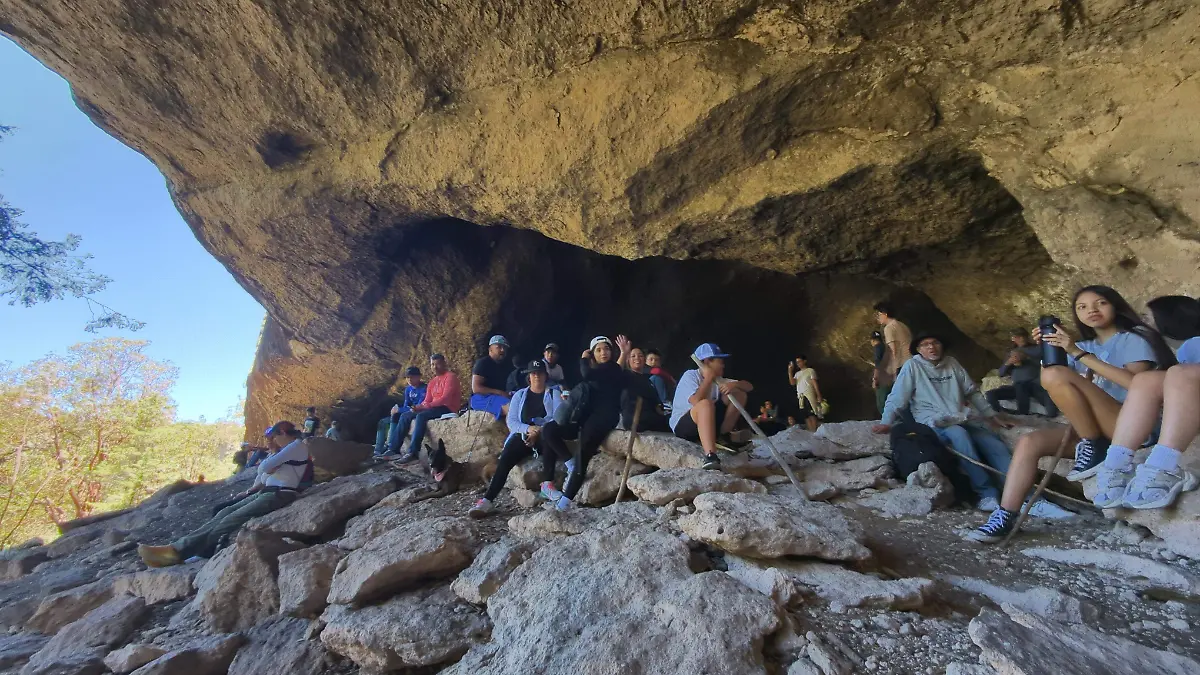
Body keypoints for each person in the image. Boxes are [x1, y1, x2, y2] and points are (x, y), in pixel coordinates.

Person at [969, 285, 1177, 543]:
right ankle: (1005, 514)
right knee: (1029, 442)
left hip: (1133, 427)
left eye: (1100, 303)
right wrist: (1049, 349)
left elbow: (1137, 384)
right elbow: (1052, 378)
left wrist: (1078, 354)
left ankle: (1094, 443)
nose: (1092, 310)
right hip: (1096, 429)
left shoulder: (1132, 339)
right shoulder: (1083, 344)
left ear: (1115, 305)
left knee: (1056, 374)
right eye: (1082, 307)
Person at [872, 333, 1016, 513]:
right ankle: (986, 493)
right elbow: (897, 398)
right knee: (959, 435)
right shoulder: (913, 366)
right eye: (925, 344)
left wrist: (992, 415)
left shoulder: (952, 363)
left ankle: (1025, 496)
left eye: (935, 342)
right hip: (933, 423)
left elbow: (972, 392)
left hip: (961, 418)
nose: (931, 347)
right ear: (918, 349)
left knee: (994, 444)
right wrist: (886, 422)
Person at [136, 422, 310, 567]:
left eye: (274, 437)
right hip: (269, 492)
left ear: (283, 433)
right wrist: (272, 461)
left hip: (280, 493)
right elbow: (264, 473)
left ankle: (177, 553)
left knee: (229, 520)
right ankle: (178, 547)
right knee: (223, 512)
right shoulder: (287, 450)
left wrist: (272, 463)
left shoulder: (296, 446)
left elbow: (264, 468)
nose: (272, 441)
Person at [1090, 295, 1200, 509]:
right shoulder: (1188, 347)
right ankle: (1116, 464)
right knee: (1146, 380)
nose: (1144, 321)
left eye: (1148, 317)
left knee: (1180, 374)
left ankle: (1164, 467)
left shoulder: (1193, 345)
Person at [540, 336, 657, 510]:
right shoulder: (606, 370)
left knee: (584, 456)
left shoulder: (609, 368)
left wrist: (584, 357)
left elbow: (587, 372)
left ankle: (564, 503)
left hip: (602, 419)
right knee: (550, 429)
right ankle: (567, 466)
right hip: (585, 419)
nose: (604, 352)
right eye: (599, 350)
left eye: (607, 349)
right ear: (595, 353)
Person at [469, 360, 564, 517]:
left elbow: (558, 418)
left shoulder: (554, 394)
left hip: (544, 434)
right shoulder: (520, 395)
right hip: (523, 435)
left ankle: (547, 485)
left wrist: (538, 431)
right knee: (506, 457)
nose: (537, 376)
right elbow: (512, 421)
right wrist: (528, 429)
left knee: (549, 438)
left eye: (540, 373)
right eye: (533, 373)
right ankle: (487, 500)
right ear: (529, 376)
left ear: (545, 376)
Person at [670, 343, 754, 471]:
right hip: (684, 425)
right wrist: (708, 378)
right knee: (705, 403)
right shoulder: (690, 375)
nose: (723, 365)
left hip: (707, 421)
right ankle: (711, 455)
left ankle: (723, 436)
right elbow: (696, 401)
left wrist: (735, 385)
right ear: (708, 362)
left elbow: (749, 387)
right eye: (720, 361)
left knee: (739, 394)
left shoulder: (719, 379)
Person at [394, 354, 464, 463]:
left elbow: (445, 399)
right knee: (405, 415)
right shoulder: (432, 382)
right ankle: (394, 449)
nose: (435, 367)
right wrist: (418, 407)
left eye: (438, 364)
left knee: (421, 416)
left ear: (444, 364)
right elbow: (427, 400)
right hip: (434, 407)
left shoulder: (450, 377)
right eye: (432, 364)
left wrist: (424, 407)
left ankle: (413, 452)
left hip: (447, 407)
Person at [985, 328, 1059, 417]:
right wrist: (1008, 363)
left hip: (1034, 385)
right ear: (1013, 339)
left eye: (1023, 336)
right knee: (990, 394)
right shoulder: (1011, 353)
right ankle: (1001, 415)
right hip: (1017, 387)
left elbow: (1048, 362)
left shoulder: (1037, 349)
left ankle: (1023, 414)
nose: (1022, 339)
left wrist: (1026, 358)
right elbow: (1001, 373)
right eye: (1018, 337)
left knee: (1050, 405)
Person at [614, 335, 670, 432]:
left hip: (649, 418)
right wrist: (623, 353)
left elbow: (656, 405)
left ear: (644, 360)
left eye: (640, 355)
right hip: (634, 419)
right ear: (628, 360)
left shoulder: (648, 380)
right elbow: (614, 373)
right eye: (633, 356)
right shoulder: (626, 375)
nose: (637, 358)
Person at [375, 366, 428, 456]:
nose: (409, 379)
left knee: (397, 415)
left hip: (418, 411)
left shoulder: (424, 389)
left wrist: (398, 409)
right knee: (383, 421)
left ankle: (390, 446)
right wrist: (399, 409)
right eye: (407, 377)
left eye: (412, 377)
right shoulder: (408, 389)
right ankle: (378, 450)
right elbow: (406, 405)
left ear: (419, 377)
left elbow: (419, 406)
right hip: (408, 411)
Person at [470, 335, 516, 420]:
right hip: (481, 398)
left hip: (498, 396)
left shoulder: (505, 365)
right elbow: (476, 388)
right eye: (499, 347)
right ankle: (514, 432)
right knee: (511, 408)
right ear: (490, 349)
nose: (502, 350)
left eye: (505, 348)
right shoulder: (483, 363)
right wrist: (499, 392)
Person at [874, 302, 913, 383]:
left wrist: (894, 372)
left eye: (878, 314)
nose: (878, 318)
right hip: (912, 362)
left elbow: (893, 351)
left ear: (885, 314)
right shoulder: (901, 324)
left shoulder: (889, 328)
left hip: (902, 366)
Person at [789, 355, 823, 432]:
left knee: (812, 413)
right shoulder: (797, 374)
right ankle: (811, 431)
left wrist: (818, 395)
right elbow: (792, 382)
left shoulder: (810, 370)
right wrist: (790, 371)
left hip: (809, 394)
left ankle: (815, 430)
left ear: (804, 361)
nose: (798, 364)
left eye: (799, 361)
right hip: (801, 396)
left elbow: (814, 383)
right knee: (805, 415)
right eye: (797, 362)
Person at [870, 331, 893, 415]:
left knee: (881, 403)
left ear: (872, 340)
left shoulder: (877, 348)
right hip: (891, 378)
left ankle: (886, 422)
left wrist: (875, 379)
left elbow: (878, 365)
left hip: (883, 379)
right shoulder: (886, 347)